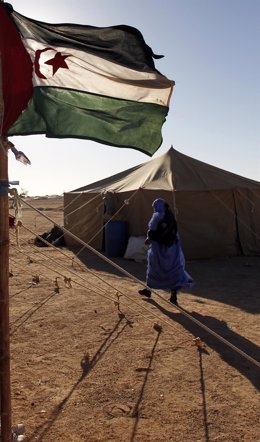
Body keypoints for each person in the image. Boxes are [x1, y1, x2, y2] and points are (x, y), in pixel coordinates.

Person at [138, 198, 193, 305]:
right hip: (172, 250)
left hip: (159, 250)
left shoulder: (157, 217)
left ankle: (148, 290)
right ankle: (173, 296)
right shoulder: (171, 218)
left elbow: (152, 232)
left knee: (154, 269)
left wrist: (149, 239)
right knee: (173, 271)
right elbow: (175, 234)